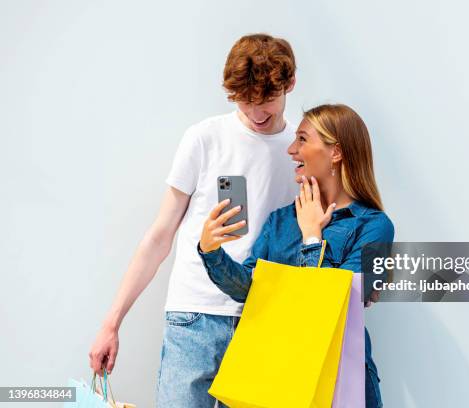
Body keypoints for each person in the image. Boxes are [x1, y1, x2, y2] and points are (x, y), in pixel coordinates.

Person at [88, 33, 299, 408]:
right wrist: (112, 322)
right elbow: (160, 235)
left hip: (267, 319)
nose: (256, 113)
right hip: (195, 317)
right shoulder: (205, 138)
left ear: (290, 84)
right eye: (245, 102)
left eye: (266, 100)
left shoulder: (302, 147)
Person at [198, 103, 394, 408]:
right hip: (272, 375)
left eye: (302, 139)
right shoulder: (280, 220)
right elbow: (249, 291)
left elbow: (339, 304)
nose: (291, 149)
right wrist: (211, 252)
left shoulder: (375, 227)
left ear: (336, 153)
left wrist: (312, 237)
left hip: (338, 384)